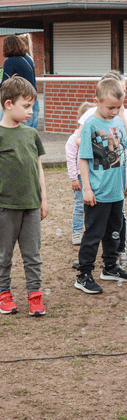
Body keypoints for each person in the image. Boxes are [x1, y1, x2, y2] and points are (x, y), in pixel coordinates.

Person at [74, 78, 127, 295]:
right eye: (110, 107)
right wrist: (87, 189)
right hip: (98, 193)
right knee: (93, 234)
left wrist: (125, 181)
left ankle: (110, 267)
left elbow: (123, 154)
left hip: (116, 191)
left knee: (114, 232)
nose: (114, 111)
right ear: (96, 102)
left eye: (119, 107)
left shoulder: (118, 121)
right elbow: (83, 159)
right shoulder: (90, 124)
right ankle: (84, 274)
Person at [0, 76, 48, 316]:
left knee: (33, 255)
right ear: (9, 104)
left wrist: (44, 199)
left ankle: (35, 296)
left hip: (31, 206)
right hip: (5, 207)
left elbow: (38, 168)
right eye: (26, 106)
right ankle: (3, 294)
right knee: (3, 255)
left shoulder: (31, 135)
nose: (31, 111)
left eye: (32, 105)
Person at [65, 102, 95, 246]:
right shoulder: (73, 139)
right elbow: (71, 159)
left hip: (95, 177)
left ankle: (93, 232)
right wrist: (74, 178)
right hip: (80, 178)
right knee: (79, 206)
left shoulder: (96, 137)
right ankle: (77, 232)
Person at [0, 35, 39, 129]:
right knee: (30, 133)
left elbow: (5, 84)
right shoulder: (28, 58)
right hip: (33, 99)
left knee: (6, 129)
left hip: (20, 101)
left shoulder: (11, 61)